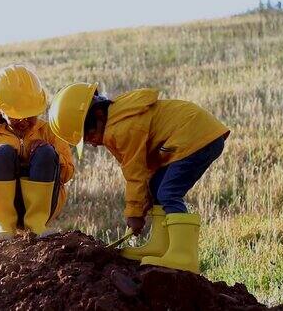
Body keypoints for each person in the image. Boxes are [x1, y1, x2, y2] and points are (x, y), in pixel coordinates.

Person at [48, 82, 229, 273]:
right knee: (157, 187)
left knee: (169, 193)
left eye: (90, 135)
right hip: (192, 136)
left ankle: (184, 256)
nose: (92, 144)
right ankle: (161, 247)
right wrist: (145, 198)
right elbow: (145, 166)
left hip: (196, 138)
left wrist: (134, 214)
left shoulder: (123, 129)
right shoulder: (117, 118)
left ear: (99, 115)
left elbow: (135, 172)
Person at [0, 64, 74, 242]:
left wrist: (52, 153)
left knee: (46, 152)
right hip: (9, 206)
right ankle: (4, 228)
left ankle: (37, 226)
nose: (24, 122)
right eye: (17, 117)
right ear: (1, 111)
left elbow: (68, 172)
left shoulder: (49, 132)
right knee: (2, 152)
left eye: (30, 115)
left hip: (45, 206)